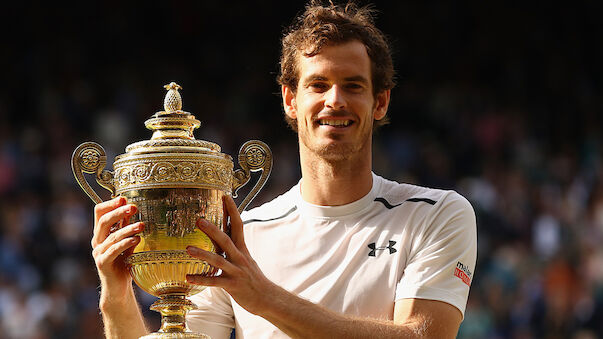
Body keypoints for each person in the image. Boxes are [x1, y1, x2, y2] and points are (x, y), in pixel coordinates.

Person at [91, 1, 477, 338]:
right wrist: (116, 293)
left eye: (353, 85)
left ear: (381, 102)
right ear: (291, 99)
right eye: (318, 85)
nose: (335, 100)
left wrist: (265, 297)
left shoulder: (436, 215)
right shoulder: (244, 237)